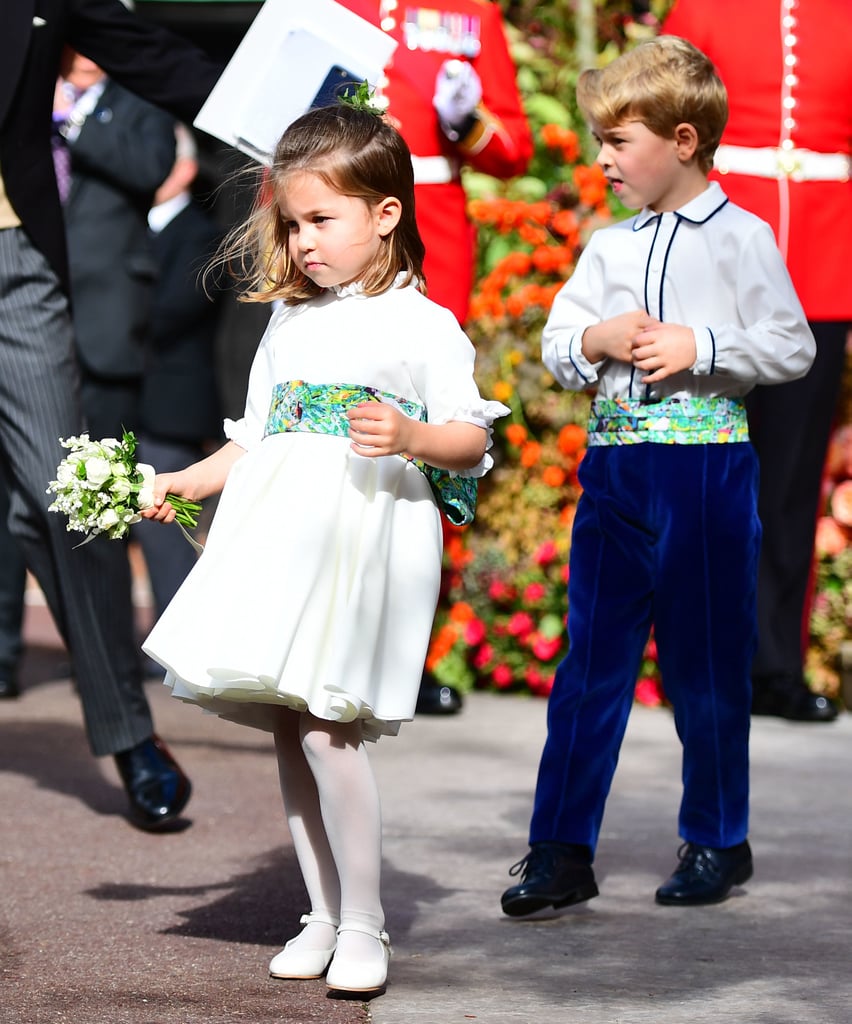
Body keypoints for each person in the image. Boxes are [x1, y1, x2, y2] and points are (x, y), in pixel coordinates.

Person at [140, 102, 506, 993]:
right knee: (291, 728)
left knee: (331, 726)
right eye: (293, 223)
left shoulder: (422, 324)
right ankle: (322, 913)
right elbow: (254, 435)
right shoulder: (290, 322)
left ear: (385, 215)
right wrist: (185, 482)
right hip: (281, 535)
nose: (303, 242)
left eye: (322, 220)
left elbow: (473, 439)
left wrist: (413, 439)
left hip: (364, 534)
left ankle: (366, 924)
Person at [500, 36, 815, 916]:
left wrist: (700, 345)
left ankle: (718, 838)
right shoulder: (609, 248)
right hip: (615, 472)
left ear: (683, 140)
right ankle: (560, 849)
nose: (602, 158)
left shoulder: (744, 238)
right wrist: (593, 340)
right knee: (590, 665)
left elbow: (794, 345)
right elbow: (561, 341)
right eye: (600, 141)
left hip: (706, 473)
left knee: (706, 666)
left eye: (619, 141)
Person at [0, 0, 220, 829]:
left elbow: (156, 56)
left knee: (67, 494)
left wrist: (310, 109)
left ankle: (129, 734)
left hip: (15, 258)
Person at [339, 0, 533, 713]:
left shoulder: (468, 12)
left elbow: (512, 149)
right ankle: (333, 640)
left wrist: (468, 122)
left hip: (431, 245)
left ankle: (406, 655)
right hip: (332, 241)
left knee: (422, 447)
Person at [661, 0, 851, 722]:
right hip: (721, 266)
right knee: (707, 472)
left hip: (825, 268)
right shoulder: (704, 10)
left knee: (792, 483)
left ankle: (775, 666)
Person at [135, 124, 224, 623]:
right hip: (137, 397)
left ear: (186, 168)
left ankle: (179, 634)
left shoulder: (201, 233)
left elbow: (174, 310)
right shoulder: (135, 226)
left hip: (174, 403)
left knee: (170, 527)